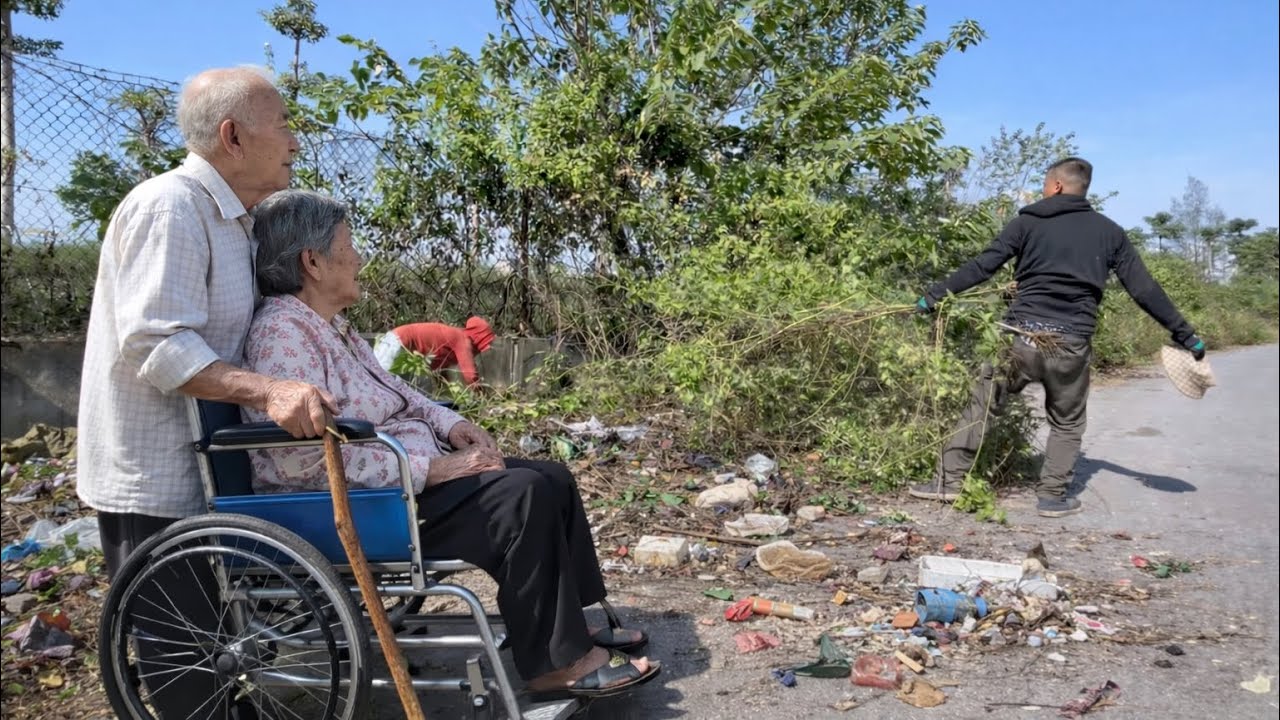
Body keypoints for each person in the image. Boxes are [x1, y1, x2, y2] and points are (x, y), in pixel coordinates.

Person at [243, 188, 661, 699]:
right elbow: (306, 459)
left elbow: (398, 393)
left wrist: (449, 424)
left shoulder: (333, 329)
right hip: (364, 503)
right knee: (521, 495)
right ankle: (557, 663)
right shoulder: (282, 335)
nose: (359, 257)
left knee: (551, 475)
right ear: (313, 261)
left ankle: (569, 624)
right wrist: (433, 469)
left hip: (401, 480)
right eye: (348, 245)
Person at [76, 67, 335, 717]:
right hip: (154, 470)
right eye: (283, 127)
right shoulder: (170, 207)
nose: (295, 143)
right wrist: (269, 389)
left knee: (220, 640)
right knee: (181, 653)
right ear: (234, 137)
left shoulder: (236, 219)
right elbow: (158, 344)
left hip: (210, 457)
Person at [910, 157, 1206, 518]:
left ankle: (950, 481)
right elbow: (1143, 289)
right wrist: (1185, 334)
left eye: (1045, 184)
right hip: (1070, 341)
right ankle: (1051, 497)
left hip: (1019, 336)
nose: (1042, 190)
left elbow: (982, 266)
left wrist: (934, 295)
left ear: (1057, 186)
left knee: (983, 404)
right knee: (1066, 422)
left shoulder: (1027, 222)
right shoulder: (1110, 232)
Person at [374, 317, 497, 386]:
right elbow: (470, 375)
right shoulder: (462, 339)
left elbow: (440, 374)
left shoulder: (452, 345)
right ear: (479, 336)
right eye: (487, 342)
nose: (489, 347)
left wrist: (446, 394)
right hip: (397, 343)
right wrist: (482, 398)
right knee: (379, 383)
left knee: (409, 393)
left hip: (402, 349)